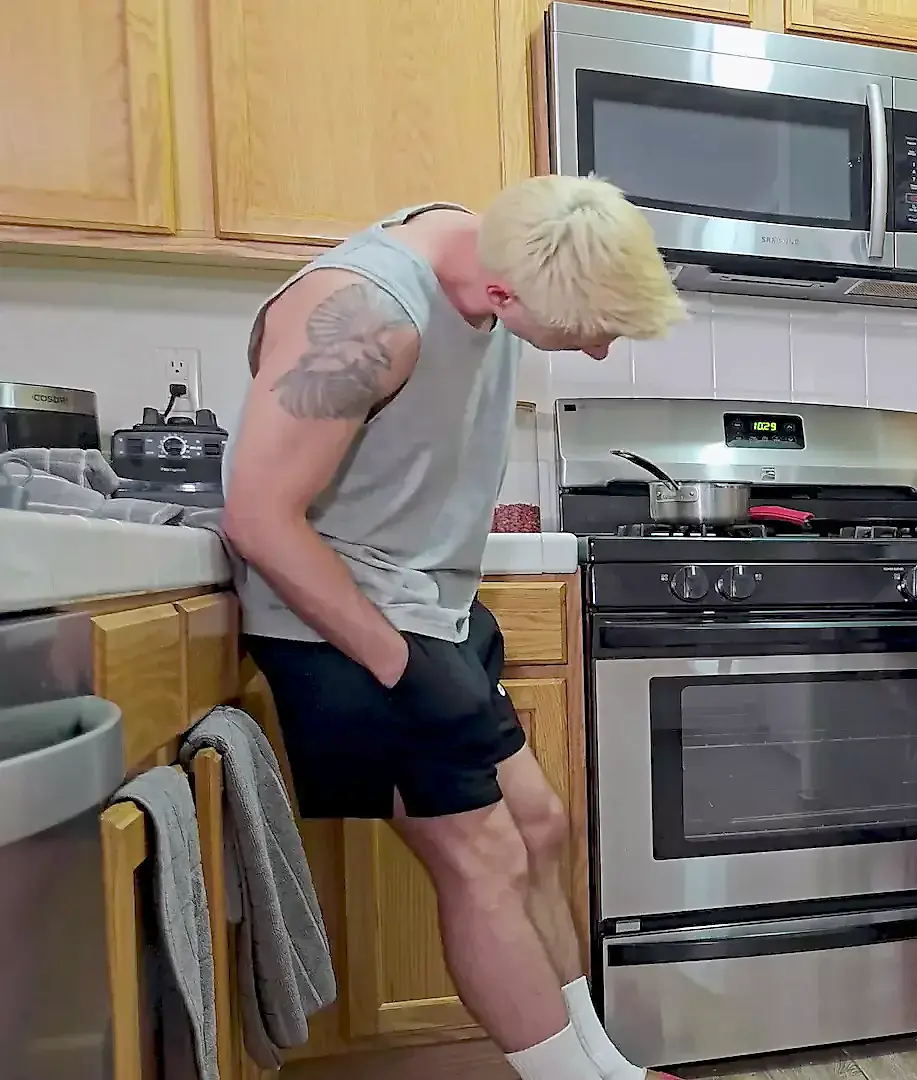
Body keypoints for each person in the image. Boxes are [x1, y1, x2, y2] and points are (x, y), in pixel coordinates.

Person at [223, 175, 686, 1080]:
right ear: (505, 293)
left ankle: (608, 1069)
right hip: (341, 623)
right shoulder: (363, 314)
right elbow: (259, 516)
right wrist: (401, 664)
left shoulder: (490, 249)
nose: (596, 352)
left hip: (427, 611)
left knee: (540, 827)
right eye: (586, 333)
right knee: (482, 859)